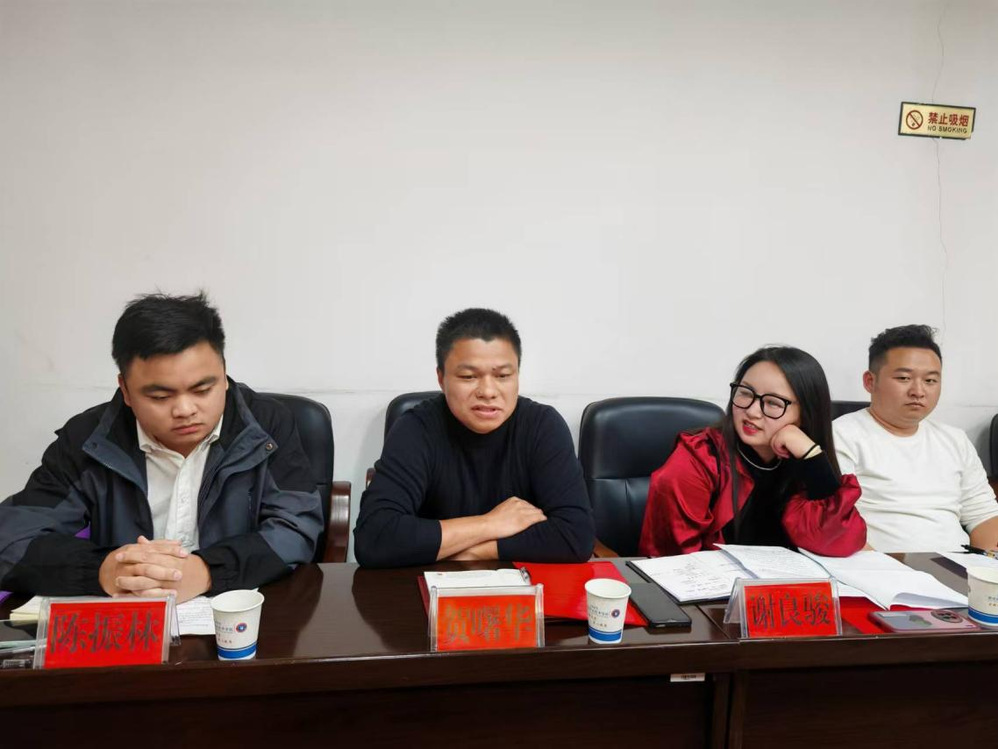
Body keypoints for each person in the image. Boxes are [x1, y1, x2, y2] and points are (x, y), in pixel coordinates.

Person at [0, 292, 323, 602]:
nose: (184, 409)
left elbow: (296, 527)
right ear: (125, 390)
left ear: (224, 375)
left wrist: (207, 571)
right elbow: (11, 538)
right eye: (160, 397)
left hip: (234, 610)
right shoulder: (89, 438)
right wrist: (103, 569)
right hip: (127, 612)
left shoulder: (267, 425)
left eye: (203, 390)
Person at [354, 308, 595, 567]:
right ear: (441, 378)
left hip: (521, 587)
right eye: (468, 377)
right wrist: (489, 523)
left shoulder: (542, 426)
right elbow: (375, 538)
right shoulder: (416, 428)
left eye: (503, 376)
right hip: (427, 585)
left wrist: (468, 551)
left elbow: (575, 536)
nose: (488, 392)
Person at [639, 346, 866, 557]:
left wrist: (812, 456)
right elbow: (672, 559)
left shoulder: (799, 461)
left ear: (805, 414)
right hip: (711, 585)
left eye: (773, 403)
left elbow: (839, 543)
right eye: (746, 393)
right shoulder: (697, 458)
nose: (752, 411)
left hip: (786, 584)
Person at [833, 324, 998, 552]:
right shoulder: (841, 435)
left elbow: (983, 515)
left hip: (957, 567)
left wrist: (987, 566)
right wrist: (887, 569)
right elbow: (835, 522)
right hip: (881, 566)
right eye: (904, 378)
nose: (918, 391)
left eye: (930, 381)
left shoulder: (954, 440)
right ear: (870, 381)